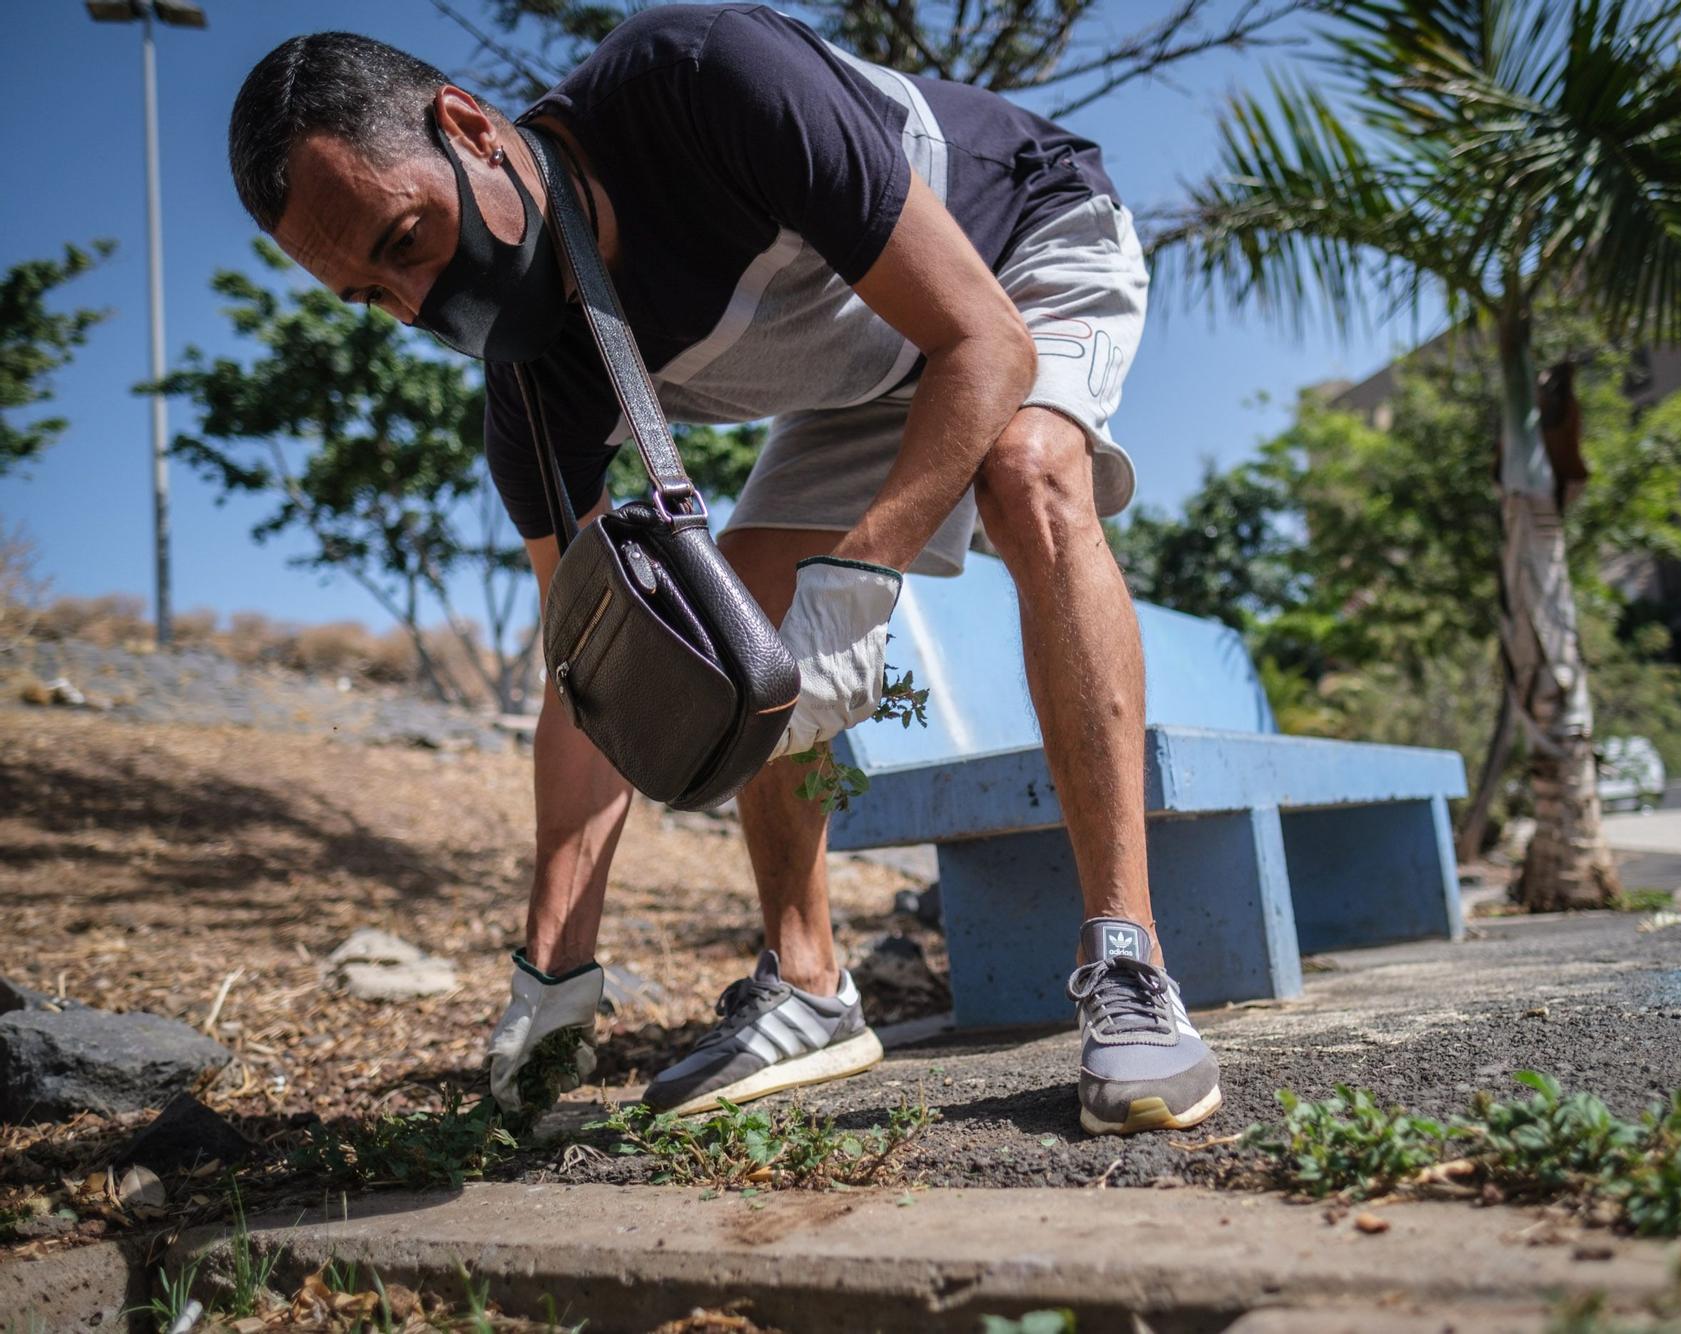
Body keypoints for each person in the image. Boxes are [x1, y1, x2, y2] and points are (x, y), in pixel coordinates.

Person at [227, 3, 1220, 1136]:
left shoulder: (702, 82)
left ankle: (1128, 959)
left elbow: (982, 343)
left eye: (405, 242)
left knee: (1028, 472)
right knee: (720, 621)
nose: (420, 307)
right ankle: (808, 982)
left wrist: (862, 577)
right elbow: (594, 673)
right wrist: (555, 965)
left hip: (1012, 254)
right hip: (867, 375)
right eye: (373, 300)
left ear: (468, 127)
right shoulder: (539, 388)